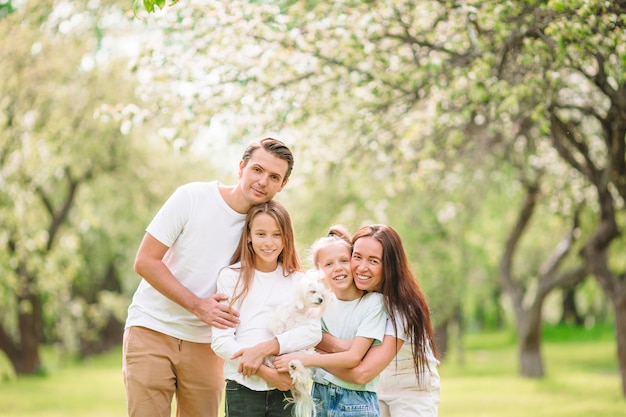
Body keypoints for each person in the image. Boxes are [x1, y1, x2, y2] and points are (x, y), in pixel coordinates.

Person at [122, 138, 295, 417]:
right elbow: (145, 262)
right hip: (153, 329)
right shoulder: (192, 197)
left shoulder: (262, 231)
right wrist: (198, 305)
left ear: (282, 185)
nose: (263, 181)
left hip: (207, 345)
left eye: (274, 177)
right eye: (257, 170)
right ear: (241, 167)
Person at [211, 200, 322, 417]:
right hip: (243, 386)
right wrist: (265, 372)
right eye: (261, 234)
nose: (269, 242)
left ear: (286, 237)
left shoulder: (298, 280)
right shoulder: (231, 277)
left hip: (288, 387)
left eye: (276, 234)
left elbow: (312, 332)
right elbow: (221, 340)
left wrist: (267, 348)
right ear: (249, 236)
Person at [320, 224, 441, 417]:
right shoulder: (356, 295)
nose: (361, 267)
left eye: (373, 261)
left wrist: (312, 360)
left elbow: (362, 373)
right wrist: (343, 348)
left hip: (411, 388)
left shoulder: (403, 307)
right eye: (357, 257)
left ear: (390, 266)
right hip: (374, 388)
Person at [274, 225, 387, 417]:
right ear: (319, 272)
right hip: (319, 394)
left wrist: (309, 359)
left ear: (353, 261)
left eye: (344, 260)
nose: (338, 268)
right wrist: (344, 350)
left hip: (356, 401)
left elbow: (353, 358)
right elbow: (312, 339)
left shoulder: (373, 303)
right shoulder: (319, 304)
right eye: (329, 264)